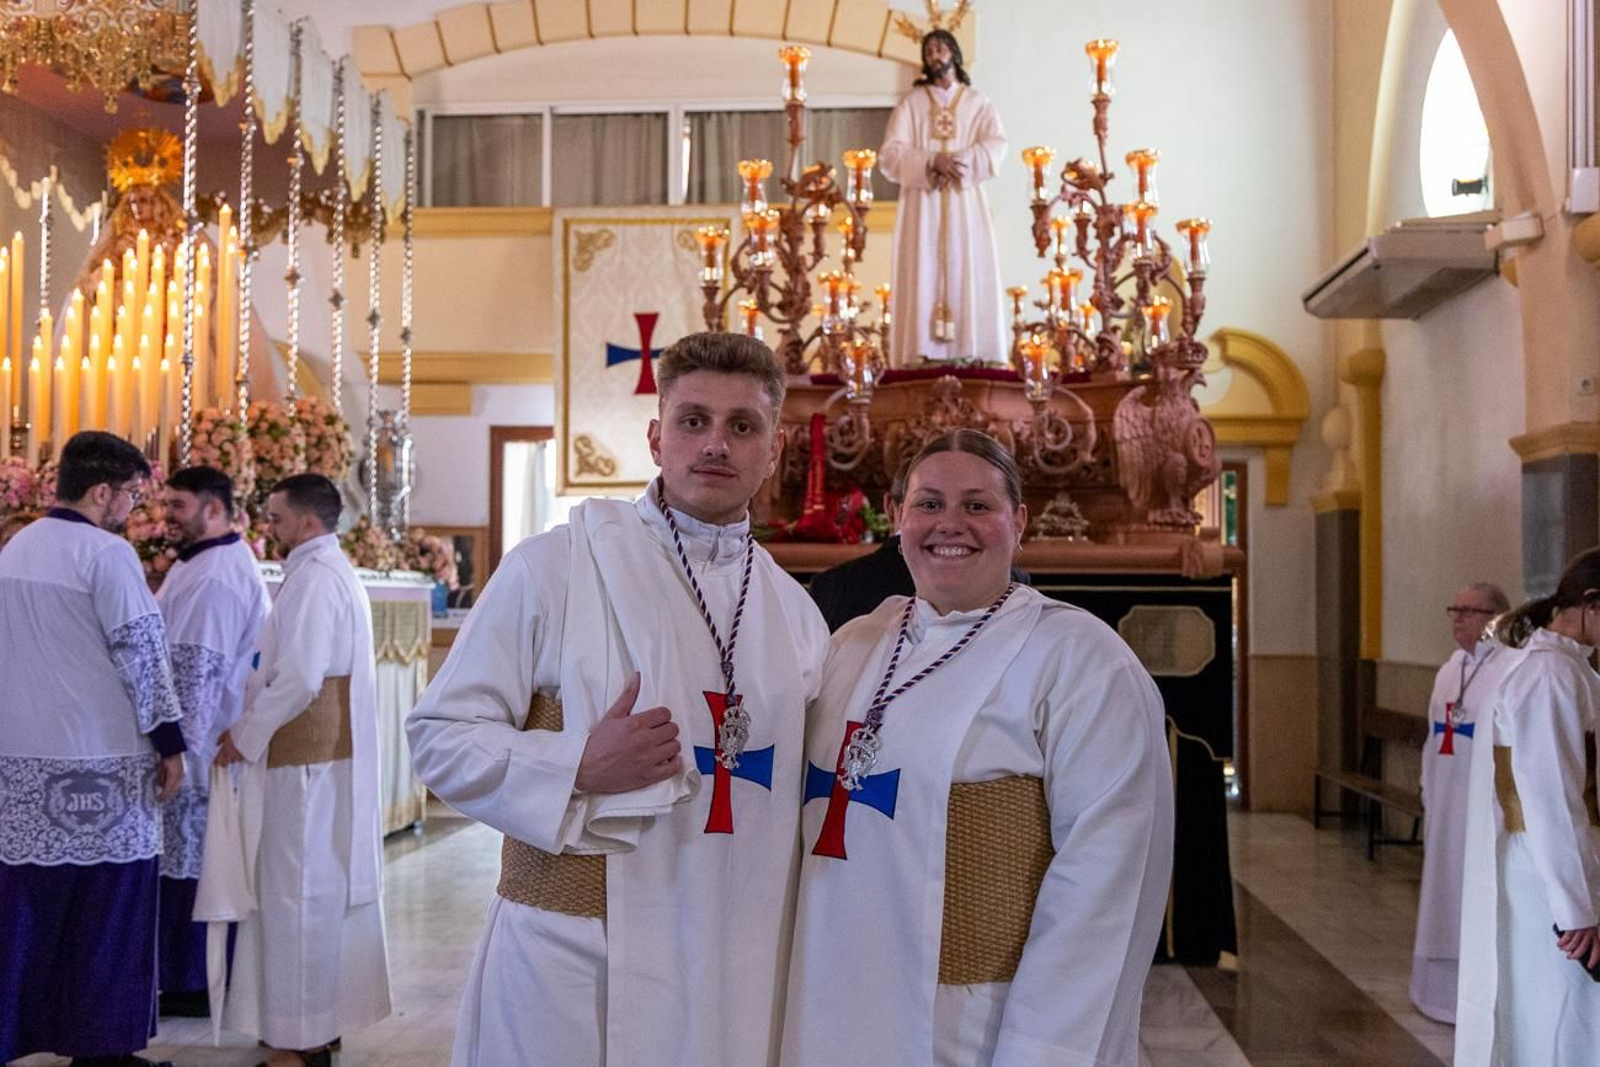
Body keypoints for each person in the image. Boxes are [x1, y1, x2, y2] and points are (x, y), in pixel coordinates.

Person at [406, 332, 830, 1065]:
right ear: (655, 437)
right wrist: (573, 764)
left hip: (725, 964)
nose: (715, 445)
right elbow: (439, 735)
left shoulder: (795, 614)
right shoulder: (556, 567)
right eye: (693, 420)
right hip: (574, 953)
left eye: (742, 426)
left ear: (774, 449)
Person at [782, 429, 1173, 1065]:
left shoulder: (1081, 658)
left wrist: (1044, 1048)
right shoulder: (852, 643)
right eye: (929, 504)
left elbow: (1108, 881)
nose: (950, 524)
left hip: (973, 1024)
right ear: (898, 517)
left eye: (978, 505)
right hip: (830, 1010)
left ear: (1018, 520)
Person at [0, 430, 185, 1066]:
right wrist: (170, 741)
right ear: (102, 491)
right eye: (132, 494)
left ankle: (17, 1035)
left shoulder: (16, 547)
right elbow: (142, 651)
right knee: (109, 911)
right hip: (101, 762)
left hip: (21, 762)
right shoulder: (105, 556)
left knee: (27, 913)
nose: (134, 507)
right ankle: (102, 1049)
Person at [212, 473, 389, 1066]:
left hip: (304, 767)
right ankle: (314, 1023)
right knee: (307, 894)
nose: (269, 526)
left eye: (277, 517)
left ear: (309, 523)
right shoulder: (322, 571)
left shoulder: (315, 578)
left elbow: (301, 678)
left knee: (298, 897)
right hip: (312, 764)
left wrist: (243, 735)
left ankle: (302, 1040)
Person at [1456, 548, 1600, 1065]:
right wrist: (1577, 910)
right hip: (1549, 869)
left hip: (1558, 862)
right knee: (1562, 1013)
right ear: (1589, 604)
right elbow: (1552, 800)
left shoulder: (1570, 670)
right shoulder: (1550, 677)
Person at [153, 466, 271, 1017]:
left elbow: (195, 671)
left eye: (178, 506)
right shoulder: (201, 563)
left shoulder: (216, 576)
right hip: (194, 744)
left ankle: (191, 981)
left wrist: (174, 748)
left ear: (215, 509)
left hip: (199, 749)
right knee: (184, 863)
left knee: (193, 867)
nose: (166, 516)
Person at [1409, 581, 1513, 1024]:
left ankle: (1472, 996)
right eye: (1454, 608)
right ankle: (1432, 992)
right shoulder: (1450, 669)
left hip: (1481, 806)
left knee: (1473, 892)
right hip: (1446, 802)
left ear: (1496, 618)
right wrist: (1427, 787)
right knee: (1442, 891)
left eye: (1469, 611)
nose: (1457, 616)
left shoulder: (1509, 670)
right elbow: (1436, 737)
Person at [879, 29, 1008, 365]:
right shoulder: (911, 104)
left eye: (941, 48)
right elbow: (890, 154)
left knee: (969, 263)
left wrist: (959, 163)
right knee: (922, 263)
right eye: (930, 51)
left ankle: (974, 350)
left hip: (965, 202)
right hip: (924, 203)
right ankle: (921, 352)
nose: (935, 55)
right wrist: (930, 161)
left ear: (954, 53)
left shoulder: (978, 103)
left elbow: (996, 145)